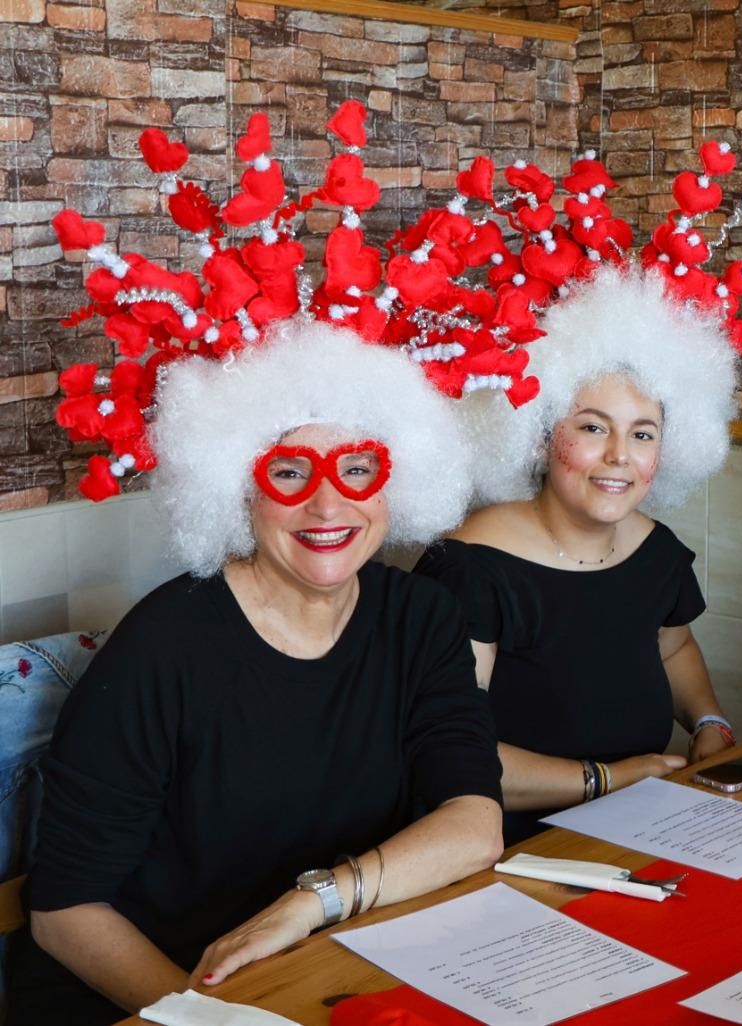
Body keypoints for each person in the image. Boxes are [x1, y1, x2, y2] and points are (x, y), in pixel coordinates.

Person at [9, 104, 546, 1026]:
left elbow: (473, 821)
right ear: (237, 491)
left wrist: (314, 901)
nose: (328, 505)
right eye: (288, 471)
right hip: (155, 1000)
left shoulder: (419, 618)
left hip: (322, 965)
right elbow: (63, 915)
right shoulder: (167, 647)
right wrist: (209, 1018)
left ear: (396, 478)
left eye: (358, 468)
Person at [416, 145, 742, 843]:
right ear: (540, 435)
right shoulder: (471, 568)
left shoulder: (657, 553)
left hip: (645, 821)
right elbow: (448, 753)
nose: (618, 458)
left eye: (642, 434)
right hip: (501, 845)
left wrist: (710, 722)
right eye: (593, 428)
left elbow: (674, 650)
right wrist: (607, 778)